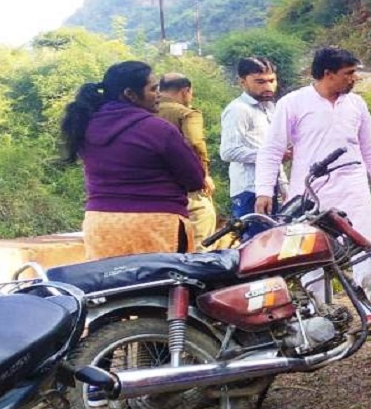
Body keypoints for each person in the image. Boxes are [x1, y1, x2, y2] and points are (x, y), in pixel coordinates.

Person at [253, 47, 371, 304]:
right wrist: (263, 190)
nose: (354, 78)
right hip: (310, 196)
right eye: (349, 73)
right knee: (313, 268)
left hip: (353, 192)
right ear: (328, 74)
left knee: (367, 257)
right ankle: (325, 326)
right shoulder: (293, 103)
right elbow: (271, 149)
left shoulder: (356, 104)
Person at [59, 61, 205, 260]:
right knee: (161, 289)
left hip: (101, 224)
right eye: (153, 89)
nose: (159, 95)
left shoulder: (84, 126)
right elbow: (195, 179)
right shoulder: (158, 129)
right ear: (130, 94)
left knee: (112, 288)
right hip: (156, 224)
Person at [221, 57, 286, 240]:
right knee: (255, 249)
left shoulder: (271, 108)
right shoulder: (238, 110)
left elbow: (274, 152)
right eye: (260, 81)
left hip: (273, 188)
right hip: (249, 190)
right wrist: (270, 155)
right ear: (242, 82)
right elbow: (228, 151)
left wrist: (285, 188)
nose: (268, 86)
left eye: (271, 81)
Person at [155, 73, 217, 247]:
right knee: (201, 241)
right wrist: (204, 175)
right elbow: (195, 144)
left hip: (153, 193)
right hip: (187, 188)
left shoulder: (145, 112)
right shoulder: (187, 114)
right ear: (185, 91)